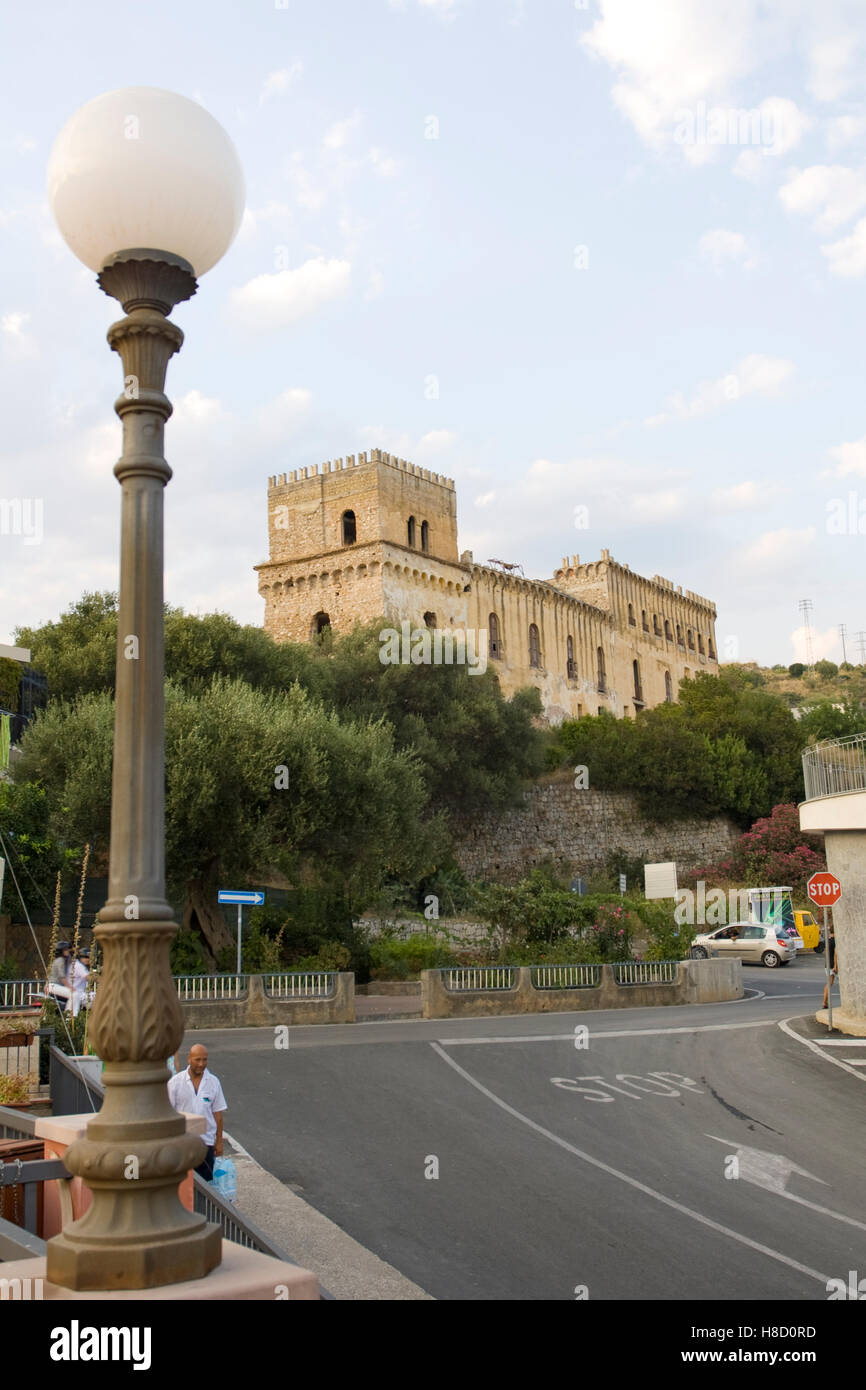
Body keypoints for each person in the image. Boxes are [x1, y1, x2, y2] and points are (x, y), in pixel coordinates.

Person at [167, 1044, 227, 1182]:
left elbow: (218, 1114)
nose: (201, 1064)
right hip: (182, 1143)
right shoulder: (175, 1083)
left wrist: (219, 1142)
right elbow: (169, 1113)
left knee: (206, 1184)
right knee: (183, 1183)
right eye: (197, 1060)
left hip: (206, 1143)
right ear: (189, 1059)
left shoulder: (213, 1082)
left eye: (204, 1060)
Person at [47, 942, 73, 1010]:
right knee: (73, 995)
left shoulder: (64, 960)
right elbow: (62, 977)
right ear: (61, 951)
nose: (68, 951)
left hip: (56, 986)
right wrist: (70, 987)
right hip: (54, 986)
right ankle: (69, 1017)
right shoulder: (60, 960)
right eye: (66, 950)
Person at [822, 925, 839, 1010]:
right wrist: (836, 966)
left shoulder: (827, 941)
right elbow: (836, 954)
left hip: (827, 965)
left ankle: (825, 1002)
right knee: (830, 983)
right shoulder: (835, 941)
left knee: (829, 983)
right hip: (833, 966)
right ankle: (824, 1002)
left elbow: (826, 952)